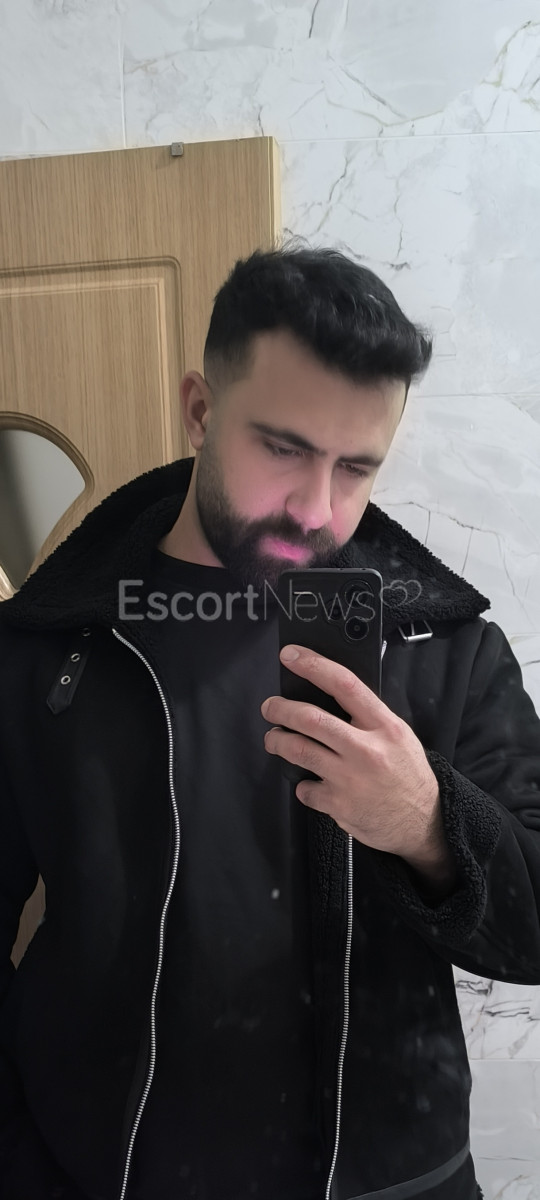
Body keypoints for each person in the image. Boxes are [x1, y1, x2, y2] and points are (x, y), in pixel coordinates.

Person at [0, 245, 539, 1200]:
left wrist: (428, 825)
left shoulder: (443, 648)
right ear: (199, 409)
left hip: (390, 1181)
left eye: (356, 467)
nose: (316, 508)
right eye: (284, 448)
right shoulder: (53, 646)